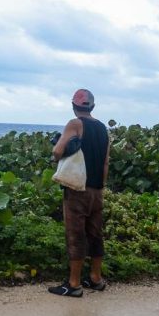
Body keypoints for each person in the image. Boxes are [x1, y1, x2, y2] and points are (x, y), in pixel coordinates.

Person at [48, 88, 110, 298]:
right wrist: (100, 187)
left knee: (76, 235)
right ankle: (96, 278)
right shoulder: (103, 128)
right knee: (95, 234)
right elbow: (105, 162)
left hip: (77, 189)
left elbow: (57, 151)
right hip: (97, 190)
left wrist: (58, 152)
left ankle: (74, 284)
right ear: (92, 106)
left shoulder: (75, 124)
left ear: (74, 106)